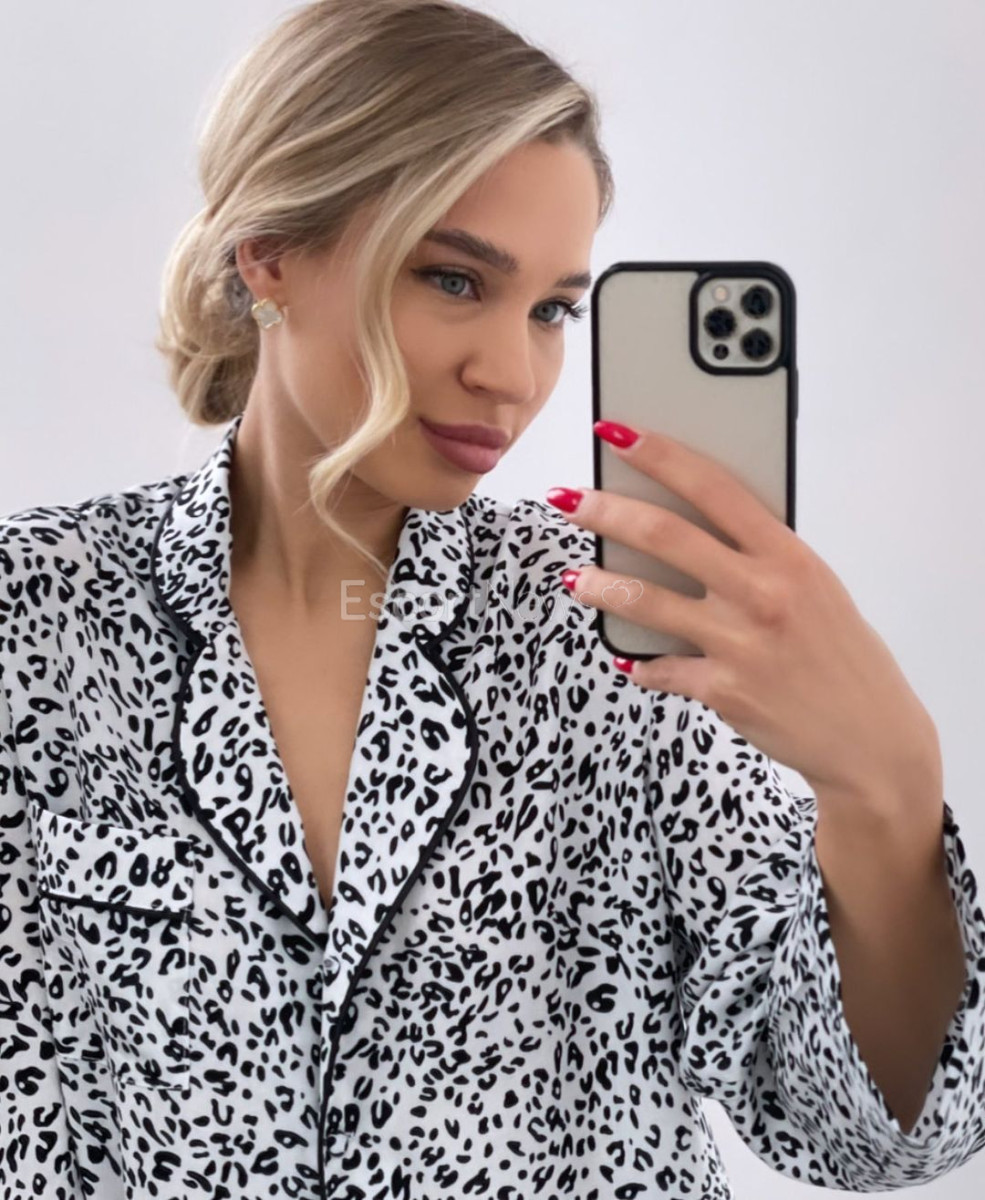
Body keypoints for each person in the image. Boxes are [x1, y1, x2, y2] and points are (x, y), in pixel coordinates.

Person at [2, 2, 984, 1198]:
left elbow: (871, 1135)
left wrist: (884, 788)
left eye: (552, 309)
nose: (512, 374)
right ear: (269, 253)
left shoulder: (608, 628)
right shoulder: (34, 616)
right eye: (454, 280)